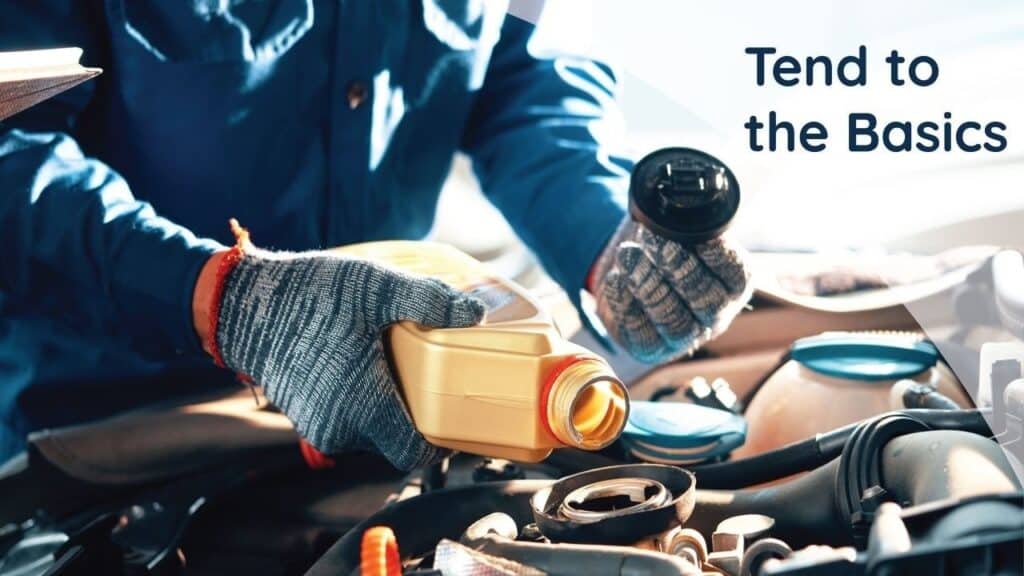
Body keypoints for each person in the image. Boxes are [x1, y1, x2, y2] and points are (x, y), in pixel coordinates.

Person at [0, 1, 749, 468]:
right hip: (109, 433)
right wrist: (226, 301)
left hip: (389, 407)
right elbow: (13, 149)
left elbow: (526, 77)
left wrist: (603, 244)